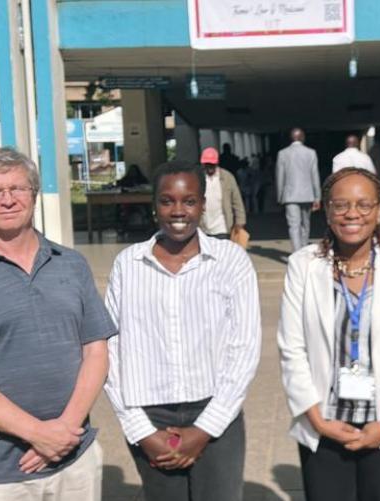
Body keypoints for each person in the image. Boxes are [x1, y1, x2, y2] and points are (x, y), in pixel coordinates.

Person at [0, 147, 116, 500]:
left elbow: (96, 351)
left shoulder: (72, 265)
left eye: (18, 188)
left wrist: (64, 430)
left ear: (33, 195)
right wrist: (39, 434)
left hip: (75, 458)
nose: (8, 199)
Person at [103, 160, 262, 501]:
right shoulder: (128, 265)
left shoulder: (231, 261)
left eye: (189, 201)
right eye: (167, 201)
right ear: (154, 206)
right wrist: (139, 429)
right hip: (151, 416)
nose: (178, 211)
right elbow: (111, 351)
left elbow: (244, 347)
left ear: (203, 205)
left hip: (216, 412)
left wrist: (205, 428)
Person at [278, 167, 380, 501]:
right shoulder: (303, 266)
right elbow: (292, 350)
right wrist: (318, 421)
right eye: (341, 205)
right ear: (326, 209)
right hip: (324, 426)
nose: (353, 213)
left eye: (364, 205)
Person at [276, 128, 321, 251]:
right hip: (307, 194)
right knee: (305, 224)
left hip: (290, 195)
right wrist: (317, 196)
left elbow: (280, 176)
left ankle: (297, 252)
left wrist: (280, 196)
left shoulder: (283, 153)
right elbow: (314, 175)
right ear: (302, 137)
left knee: (293, 225)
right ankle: (303, 248)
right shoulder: (311, 153)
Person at [198, 147, 246, 239]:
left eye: (212, 164)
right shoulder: (198, 178)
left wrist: (240, 221)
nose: (209, 167)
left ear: (217, 163)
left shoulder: (227, 177)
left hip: (222, 227)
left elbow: (237, 201)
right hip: (204, 228)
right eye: (207, 164)